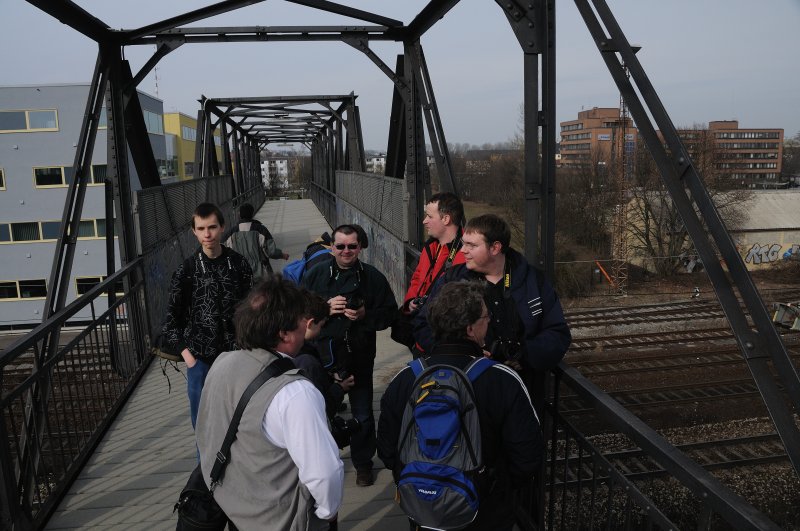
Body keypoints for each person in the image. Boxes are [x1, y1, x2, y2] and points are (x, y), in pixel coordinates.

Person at [378, 281, 544, 530]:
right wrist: (497, 488)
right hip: (486, 510)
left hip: (423, 508)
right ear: (471, 329)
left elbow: (388, 450)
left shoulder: (405, 379)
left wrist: (427, 482)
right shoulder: (502, 379)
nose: (489, 322)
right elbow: (528, 456)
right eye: (486, 317)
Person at [195, 276, 344, 530]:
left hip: (233, 508)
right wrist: (326, 515)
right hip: (280, 520)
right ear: (284, 334)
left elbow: (205, 434)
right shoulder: (296, 392)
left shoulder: (222, 364)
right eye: (300, 319)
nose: (305, 324)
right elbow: (325, 474)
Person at [301, 223, 397, 487]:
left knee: (363, 412)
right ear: (331, 247)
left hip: (360, 354)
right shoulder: (316, 274)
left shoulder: (373, 277)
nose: (346, 251)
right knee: (318, 411)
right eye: (340, 246)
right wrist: (324, 308)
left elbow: (390, 313)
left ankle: (363, 463)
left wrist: (366, 316)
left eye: (352, 246)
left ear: (361, 247)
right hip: (322, 355)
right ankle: (320, 460)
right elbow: (298, 311)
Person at [413, 213, 571, 372]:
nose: (462, 251)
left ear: (495, 248)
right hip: (470, 381)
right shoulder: (452, 279)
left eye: (471, 245)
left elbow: (557, 333)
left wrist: (523, 355)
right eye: (463, 243)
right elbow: (423, 325)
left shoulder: (534, 281)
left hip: (524, 384)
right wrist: (464, 353)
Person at [162, 202, 252, 430]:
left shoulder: (239, 264)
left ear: (222, 227)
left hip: (236, 355)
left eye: (212, 227)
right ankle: (206, 466)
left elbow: (252, 310)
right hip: (200, 358)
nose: (207, 234)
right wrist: (189, 359)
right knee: (203, 424)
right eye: (201, 229)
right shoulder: (186, 271)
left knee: (239, 419)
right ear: (194, 231)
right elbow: (171, 321)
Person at [398, 192, 466, 355]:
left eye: (429, 216)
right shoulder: (431, 247)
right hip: (421, 333)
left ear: (446, 219)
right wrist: (411, 303)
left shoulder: (466, 253)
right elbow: (417, 279)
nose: (424, 221)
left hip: (441, 343)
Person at [294, 290, 355, 418]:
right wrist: (340, 388)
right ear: (310, 323)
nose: (320, 330)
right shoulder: (307, 361)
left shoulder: (297, 348)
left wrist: (329, 375)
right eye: (321, 326)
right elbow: (323, 406)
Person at [225, 202, 288, 279]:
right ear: (252, 214)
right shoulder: (261, 230)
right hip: (260, 273)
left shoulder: (231, 233)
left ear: (239, 215)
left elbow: (225, 252)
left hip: (240, 274)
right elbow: (271, 252)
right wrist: (281, 254)